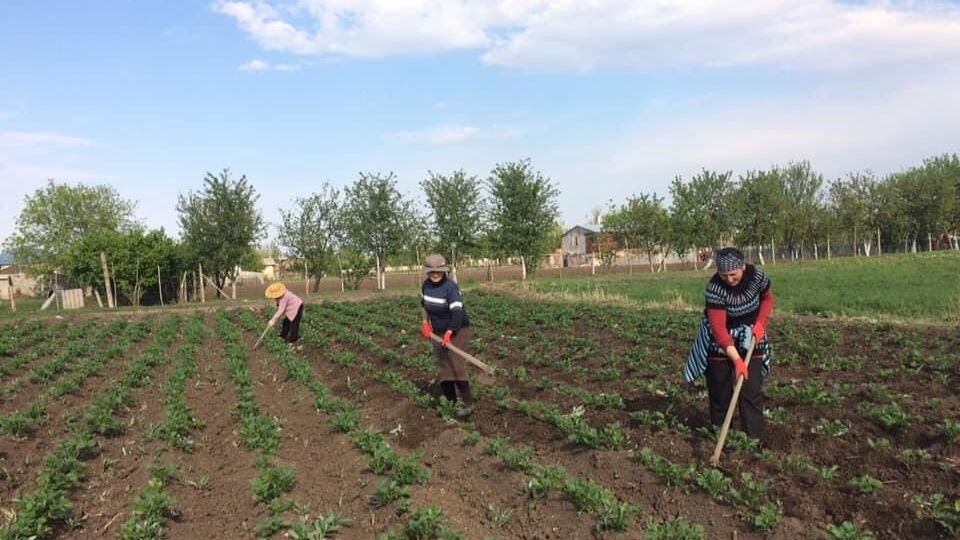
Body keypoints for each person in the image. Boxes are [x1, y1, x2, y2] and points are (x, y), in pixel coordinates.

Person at [684, 247, 773, 442]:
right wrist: (737, 360)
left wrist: (761, 323)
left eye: (733, 274)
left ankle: (753, 440)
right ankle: (723, 437)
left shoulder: (757, 277)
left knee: (750, 392)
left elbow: (767, 299)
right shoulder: (715, 288)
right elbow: (719, 330)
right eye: (724, 275)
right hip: (720, 340)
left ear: (742, 266)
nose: (729, 279)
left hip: (751, 335)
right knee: (720, 392)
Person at [419, 254, 474, 418]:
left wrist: (450, 333)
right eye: (432, 272)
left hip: (457, 330)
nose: (435, 274)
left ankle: (468, 403)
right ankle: (451, 403)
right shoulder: (426, 286)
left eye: (439, 271)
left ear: (444, 272)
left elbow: (457, 312)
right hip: (437, 331)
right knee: (444, 366)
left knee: (455, 365)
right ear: (427, 272)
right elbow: (425, 306)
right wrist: (424, 323)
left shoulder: (451, 287)